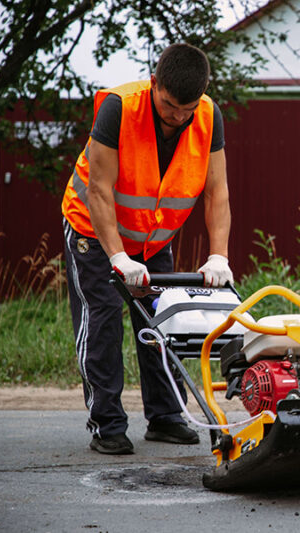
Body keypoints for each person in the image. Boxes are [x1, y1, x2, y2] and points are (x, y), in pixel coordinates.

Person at [61, 43, 233, 455]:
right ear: (155, 83)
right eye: (170, 105)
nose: (178, 116)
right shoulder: (119, 108)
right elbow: (99, 190)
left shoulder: (208, 116)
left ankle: (167, 416)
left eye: (186, 108)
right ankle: (107, 423)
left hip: (153, 238)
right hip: (93, 230)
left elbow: (217, 192)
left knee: (161, 323)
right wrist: (119, 257)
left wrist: (219, 256)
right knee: (103, 319)